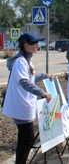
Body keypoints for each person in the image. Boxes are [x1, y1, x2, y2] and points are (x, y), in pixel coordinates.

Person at [2, 32, 54, 164]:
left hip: (24, 105)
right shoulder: (20, 61)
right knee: (28, 139)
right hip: (21, 105)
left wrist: (46, 75)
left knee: (24, 139)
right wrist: (42, 93)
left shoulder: (26, 60)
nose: (37, 45)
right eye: (34, 43)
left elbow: (32, 77)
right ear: (26, 45)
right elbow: (24, 82)